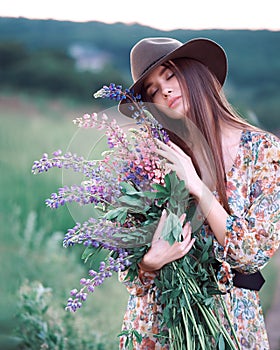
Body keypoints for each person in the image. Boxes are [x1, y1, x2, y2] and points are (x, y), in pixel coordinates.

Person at [118, 37, 280, 349]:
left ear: (196, 71)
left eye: (170, 75)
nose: (163, 91)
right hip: (159, 322)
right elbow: (127, 266)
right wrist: (148, 264)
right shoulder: (153, 157)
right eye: (152, 90)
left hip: (230, 323)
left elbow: (250, 254)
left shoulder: (264, 151)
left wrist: (196, 184)